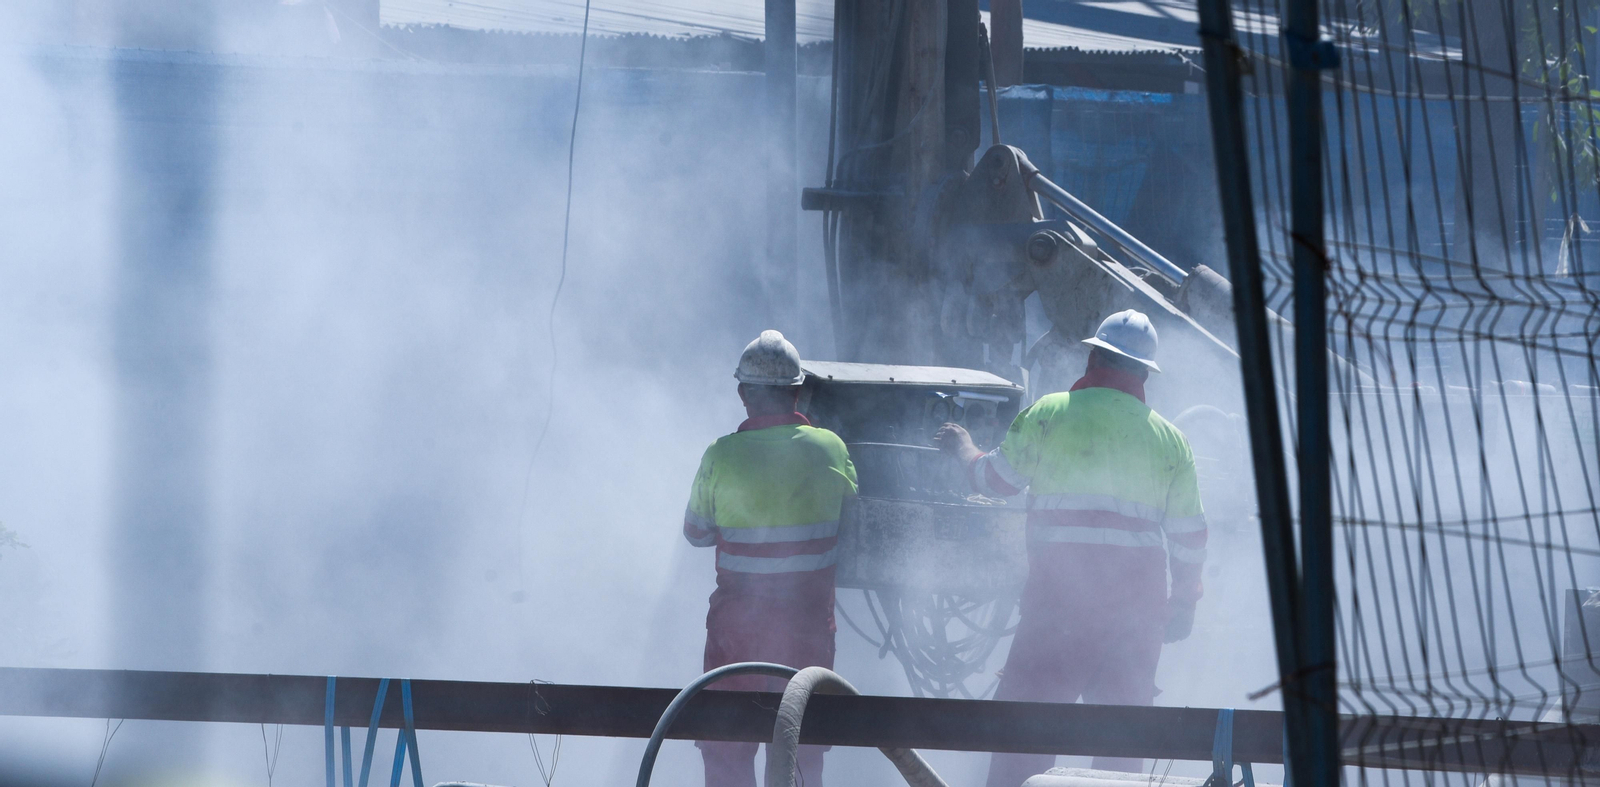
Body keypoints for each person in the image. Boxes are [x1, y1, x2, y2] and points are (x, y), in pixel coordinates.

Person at [934, 309, 1208, 786]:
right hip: (1135, 619)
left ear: (1092, 356)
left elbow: (996, 479)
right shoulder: (1172, 441)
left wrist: (962, 447)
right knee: (1122, 749)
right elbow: (1189, 538)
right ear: (1145, 373)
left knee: (1025, 736)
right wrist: (1182, 604)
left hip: (1057, 610)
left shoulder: (1049, 413)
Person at [682, 330, 858, 787]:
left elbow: (696, 533)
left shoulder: (720, 455)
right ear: (799, 390)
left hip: (735, 633)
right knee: (801, 750)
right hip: (806, 631)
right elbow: (854, 525)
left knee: (726, 747)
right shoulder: (831, 448)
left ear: (743, 394)